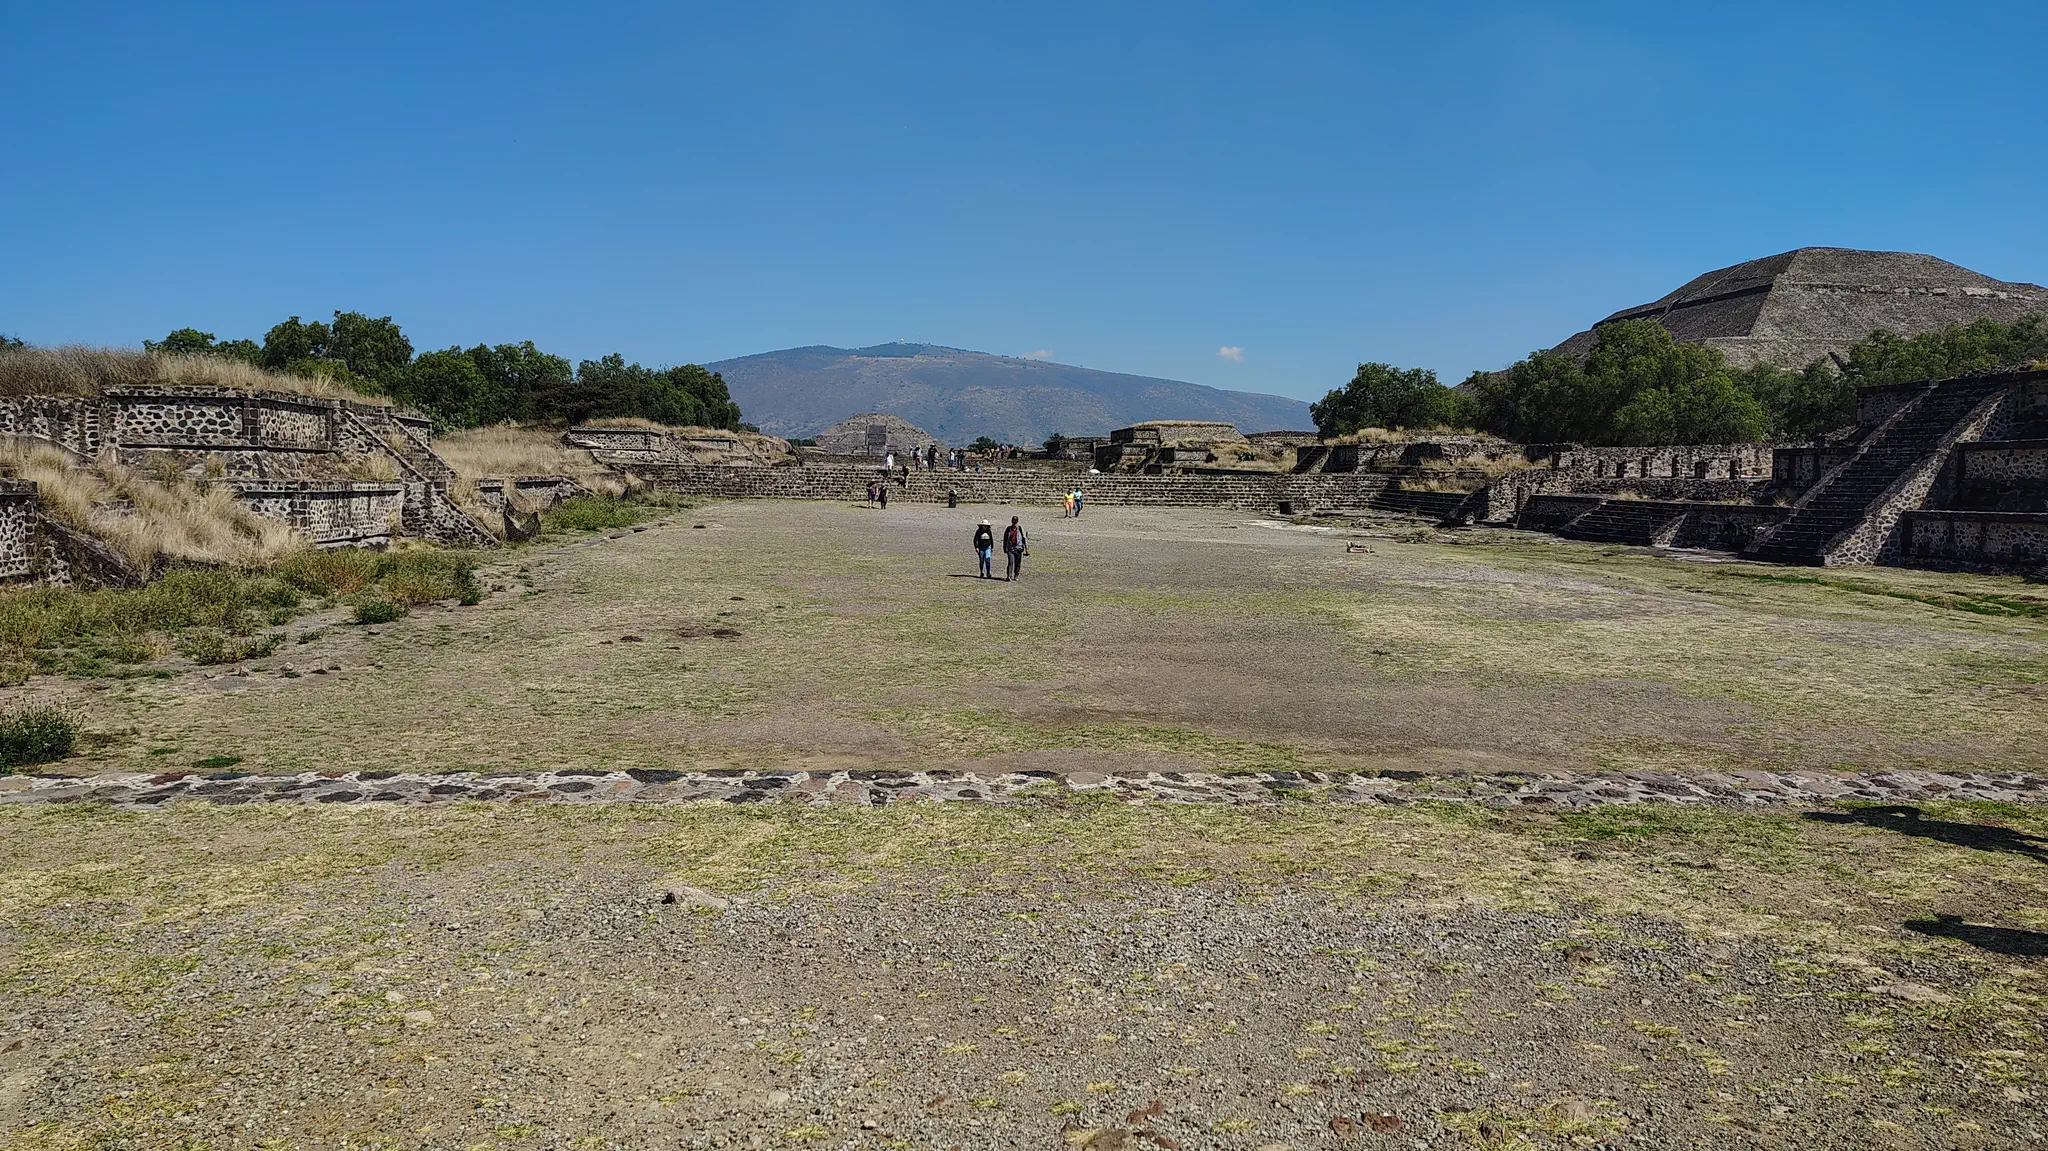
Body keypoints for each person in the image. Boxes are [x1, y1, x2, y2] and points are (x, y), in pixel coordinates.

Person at [1002, 515, 1027, 581]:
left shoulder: (1020, 529)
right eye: (1013, 520)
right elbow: (1005, 539)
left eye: (1015, 521)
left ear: (1017, 521)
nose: (1014, 522)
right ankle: (1009, 576)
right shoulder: (1008, 529)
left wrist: (1026, 548)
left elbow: (1024, 538)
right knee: (1010, 562)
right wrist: (1004, 547)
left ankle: (1016, 575)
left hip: (1019, 548)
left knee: (1017, 563)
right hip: (1010, 548)